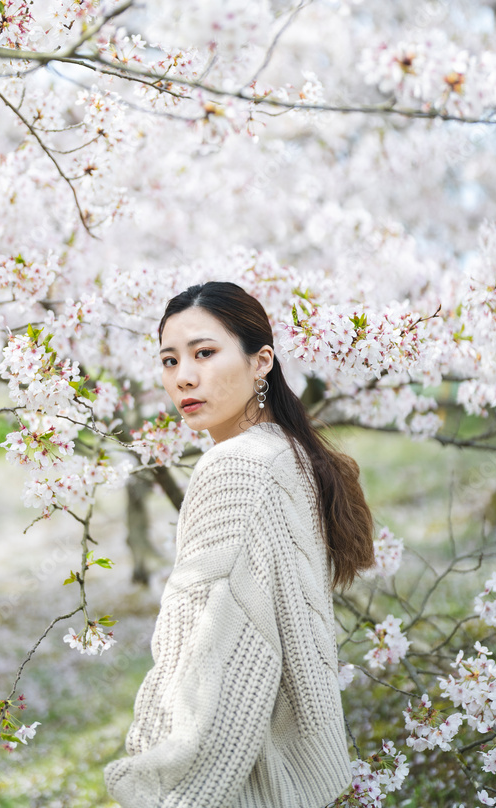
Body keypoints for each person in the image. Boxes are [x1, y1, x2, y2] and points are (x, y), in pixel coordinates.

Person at [104, 281, 374, 808]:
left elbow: (206, 652)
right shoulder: (291, 453)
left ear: (260, 361)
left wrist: (162, 784)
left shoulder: (234, 467)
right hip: (307, 772)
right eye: (169, 360)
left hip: (251, 780)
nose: (184, 376)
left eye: (205, 353)